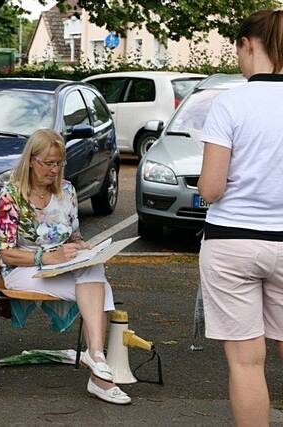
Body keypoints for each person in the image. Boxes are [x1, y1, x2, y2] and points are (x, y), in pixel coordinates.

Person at [0, 128, 130, 405]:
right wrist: (45, 257)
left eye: (59, 163)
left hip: (58, 267)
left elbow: (74, 236)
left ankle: (97, 357)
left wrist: (84, 248)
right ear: (31, 160)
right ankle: (100, 377)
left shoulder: (67, 190)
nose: (54, 170)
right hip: (22, 270)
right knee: (101, 289)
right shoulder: (11, 196)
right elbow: (6, 255)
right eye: (48, 163)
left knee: (94, 269)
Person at [198, 9, 283, 427]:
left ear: (247, 45)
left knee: (248, 363)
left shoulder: (229, 102)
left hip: (231, 242)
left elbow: (211, 188)